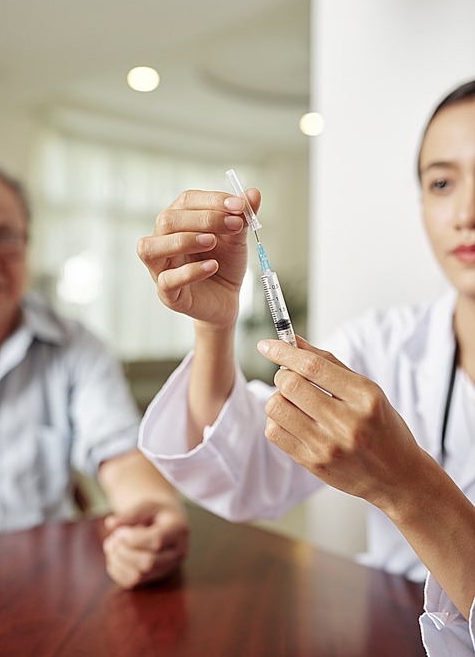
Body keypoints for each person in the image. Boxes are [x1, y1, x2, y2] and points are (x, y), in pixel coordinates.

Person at [136, 80, 475, 654]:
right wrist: (215, 325)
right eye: (441, 183)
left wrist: (408, 487)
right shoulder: (382, 346)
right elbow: (245, 478)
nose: (466, 213)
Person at [0, 160, 189, 589]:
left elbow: (119, 450)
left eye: (3, 238)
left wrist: (151, 514)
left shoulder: (76, 347)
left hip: (43, 588)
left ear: (28, 243)